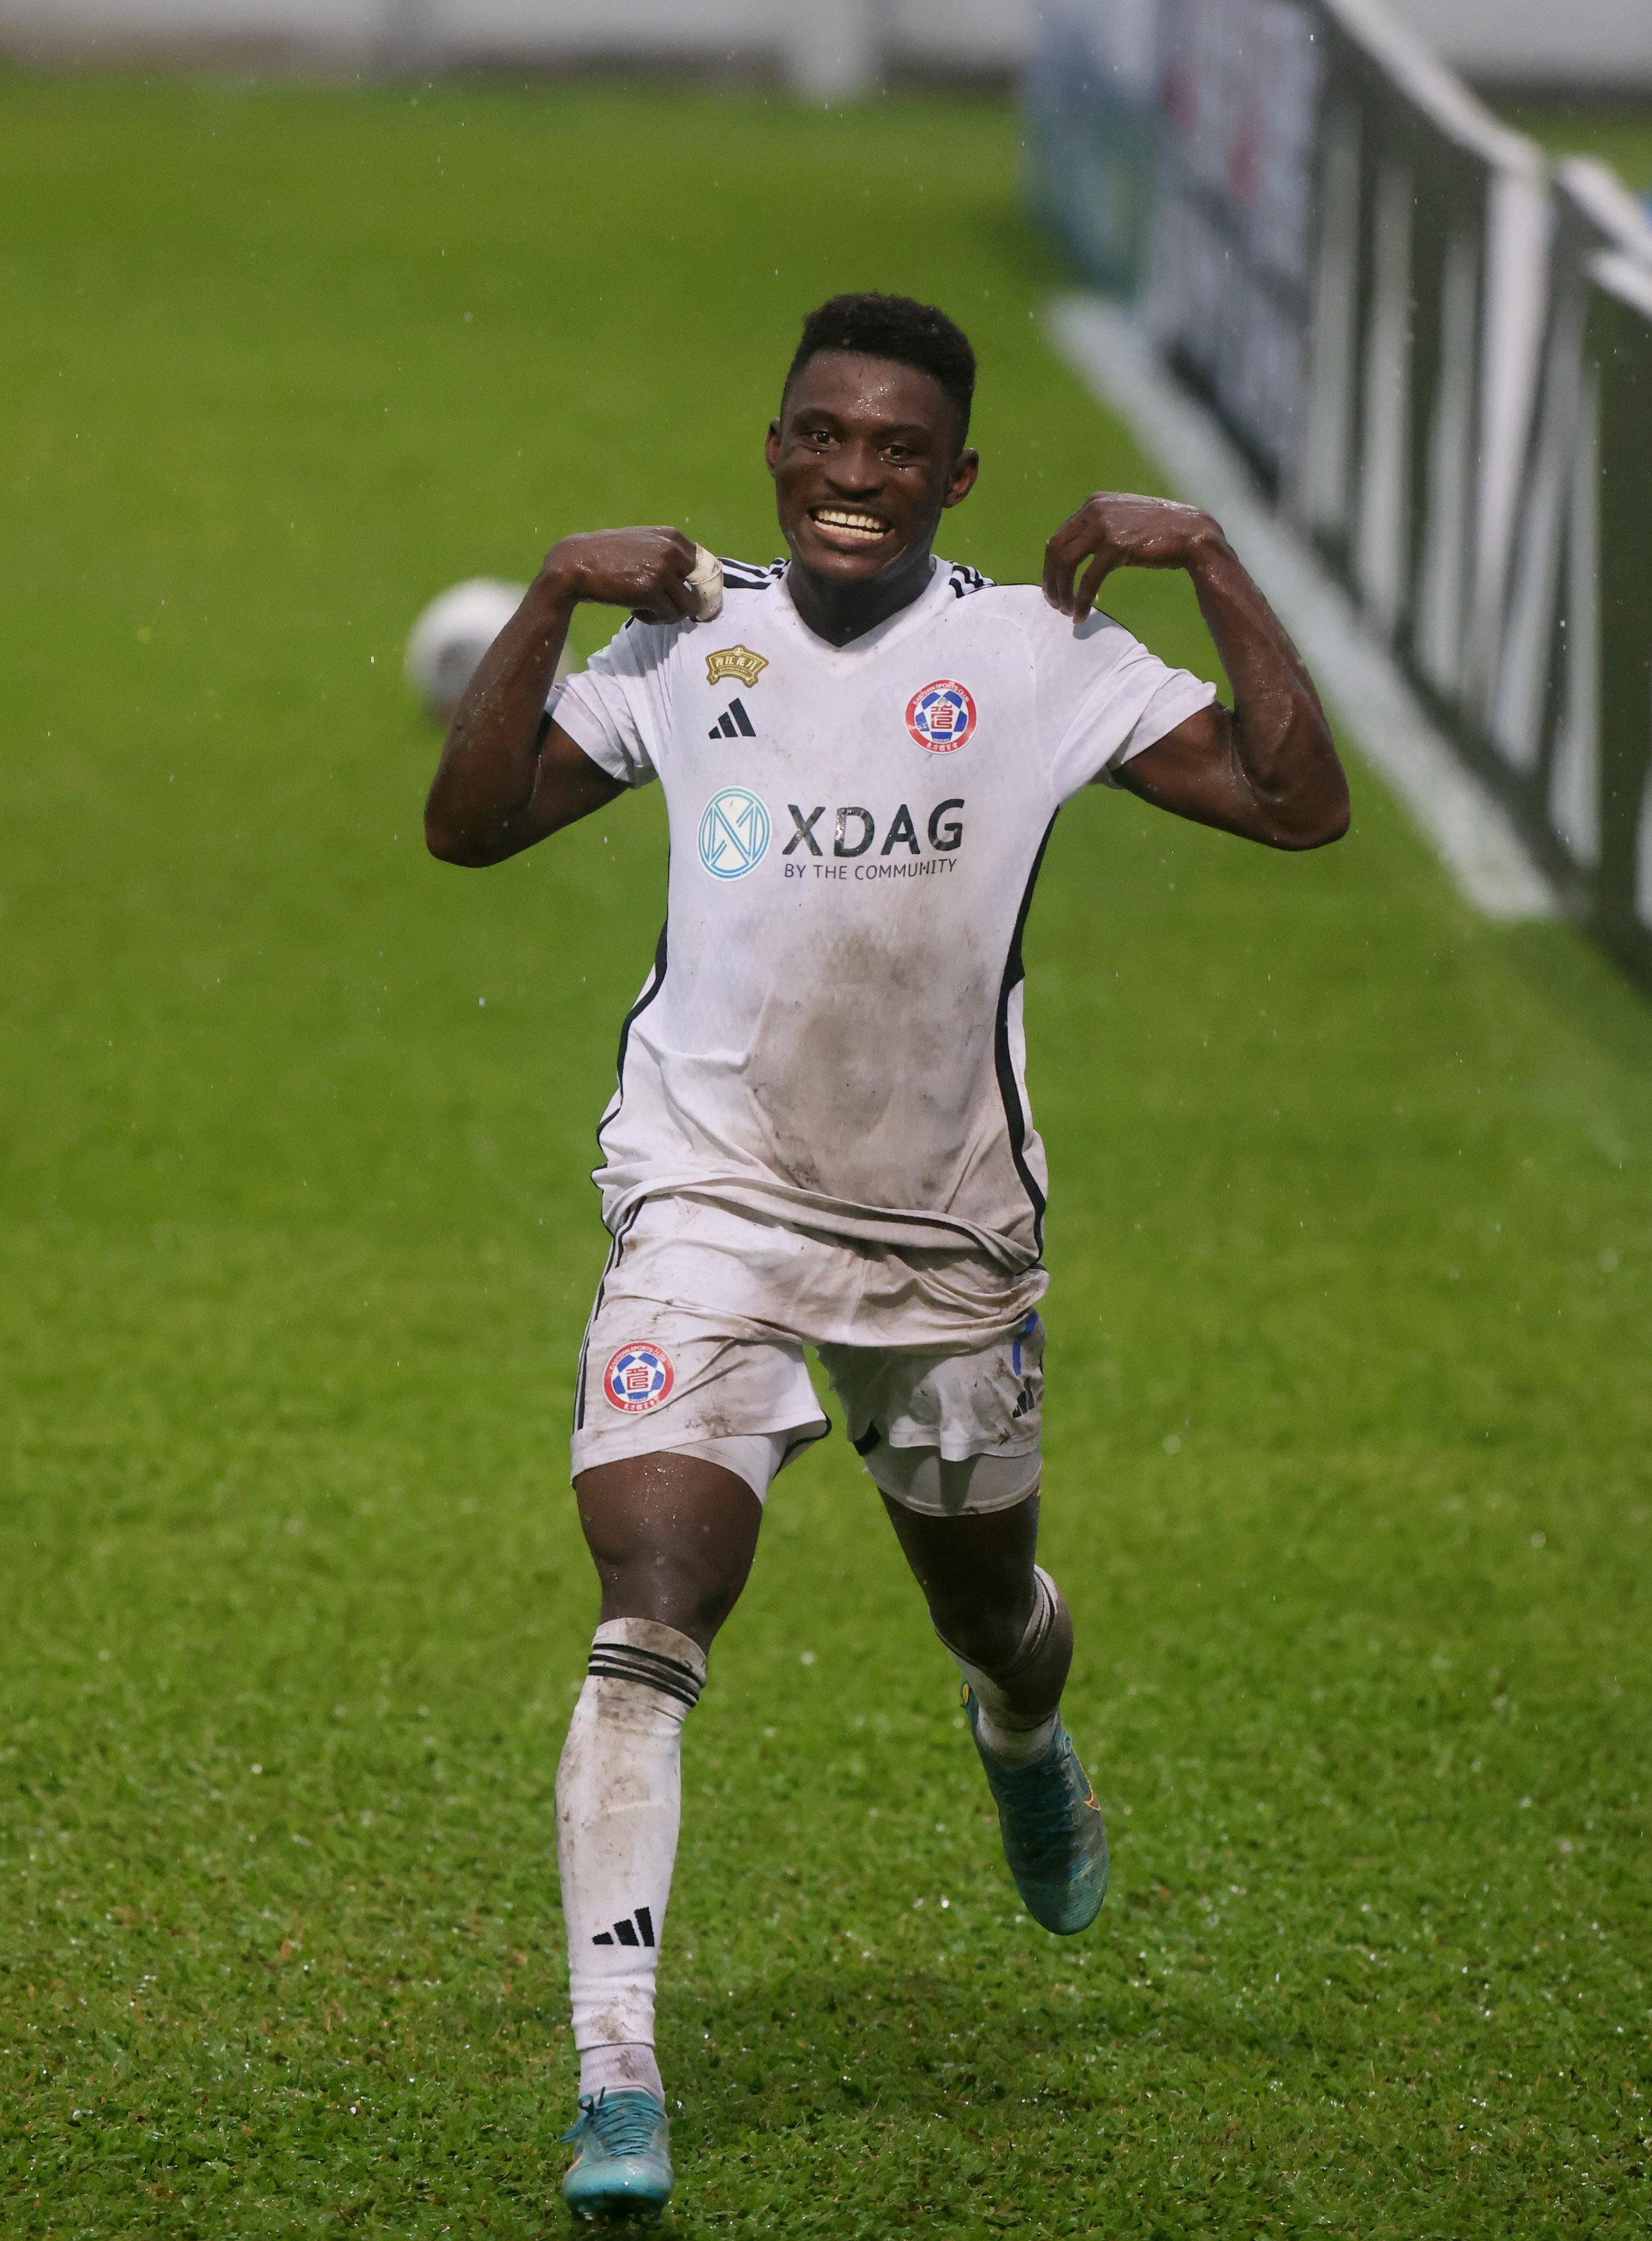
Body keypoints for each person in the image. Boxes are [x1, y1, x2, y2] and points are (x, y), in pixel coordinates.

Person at [421, 291, 1348, 2220]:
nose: (855, 477)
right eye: (823, 438)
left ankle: (1023, 1729)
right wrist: (552, 600)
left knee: (984, 1606)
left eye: (898, 450)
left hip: (942, 1238)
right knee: (651, 1602)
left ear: (957, 476)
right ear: (775, 444)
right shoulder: (694, 638)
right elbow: (471, 826)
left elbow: (1298, 804)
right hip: (711, 1206)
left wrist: (1212, 560)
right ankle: (619, 2080)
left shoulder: (1037, 651)